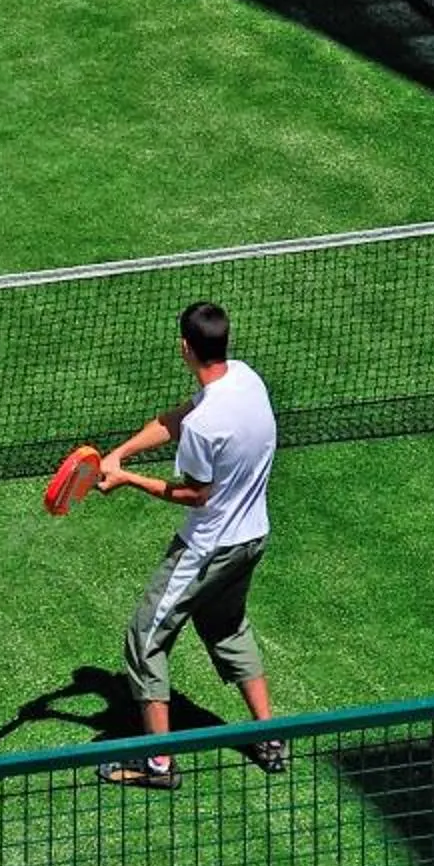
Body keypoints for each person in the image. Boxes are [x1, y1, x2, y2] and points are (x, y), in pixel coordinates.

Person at [94, 299, 285, 787]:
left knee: (144, 638)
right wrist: (119, 453)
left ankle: (158, 763)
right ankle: (272, 737)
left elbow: (193, 495)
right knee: (226, 628)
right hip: (252, 538)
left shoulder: (205, 428)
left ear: (184, 347)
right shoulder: (247, 377)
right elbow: (178, 416)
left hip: (207, 550)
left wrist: (127, 478)